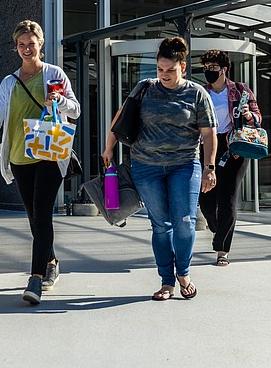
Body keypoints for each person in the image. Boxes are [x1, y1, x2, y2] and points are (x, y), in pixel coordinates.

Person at [102, 36, 217, 301]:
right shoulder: (145, 88)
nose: (164, 75)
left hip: (185, 165)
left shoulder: (196, 93)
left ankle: (184, 273)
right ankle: (167, 281)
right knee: (161, 225)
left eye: (171, 70)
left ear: (183, 67)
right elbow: (121, 117)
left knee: (185, 223)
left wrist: (210, 167)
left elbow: (210, 134)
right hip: (146, 166)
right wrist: (109, 148)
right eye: (160, 69)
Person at [0, 20, 80, 305]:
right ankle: (51, 261)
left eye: (31, 44)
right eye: (22, 44)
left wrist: (59, 100)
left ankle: (35, 278)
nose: (27, 49)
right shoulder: (10, 82)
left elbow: (76, 110)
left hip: (49, 152)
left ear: (41, 44)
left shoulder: (54, 74)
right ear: (16, 47)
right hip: (20, 156)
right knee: (33, 214)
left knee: (42, 210)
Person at [199, 49, 262, 266]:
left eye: (213, 68)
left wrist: (248, 115)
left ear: (224, 69)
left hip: (233, 147)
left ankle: (222, 250)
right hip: (206, 146)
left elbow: (257, 117)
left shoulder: (240, 90)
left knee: (228, 198)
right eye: (205, 68)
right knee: (205, 200)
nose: (209, 71)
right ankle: (218, 228)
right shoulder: (201, 92)